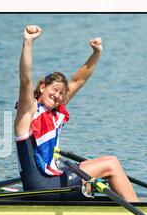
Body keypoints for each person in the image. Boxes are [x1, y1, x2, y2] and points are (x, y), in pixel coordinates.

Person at [14, 25, 138, 202]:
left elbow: (78, 80)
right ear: (42, 87)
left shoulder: (55, 111)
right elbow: (25, 79)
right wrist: (28, 42)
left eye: (61, 94)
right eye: (54, 90)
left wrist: (96, 53)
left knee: (90, 173)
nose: (57, 96)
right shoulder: (27, 112)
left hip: (51, 180)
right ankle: (138, 210)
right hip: (41, 187)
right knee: (111, 163)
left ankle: (115, 204)